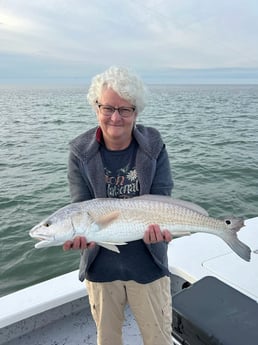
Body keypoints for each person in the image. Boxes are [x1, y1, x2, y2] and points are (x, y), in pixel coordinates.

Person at [63, 66, 174, 345]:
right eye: (108, 107)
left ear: (137, 113)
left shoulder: (154, 146)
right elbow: (80, 206)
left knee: (158, 338)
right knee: (108, 340)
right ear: (96, 107)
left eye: (125, 110)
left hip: (149, 265)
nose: (115, 117)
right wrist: (81, 238)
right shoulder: (79, 152)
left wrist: (161, 232)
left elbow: (162, 197)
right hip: (101, 270)